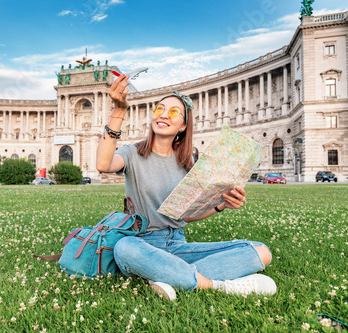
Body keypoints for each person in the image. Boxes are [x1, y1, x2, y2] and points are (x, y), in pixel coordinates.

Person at [96, 75, 276, 300]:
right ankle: (216, 285)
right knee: (124, 248)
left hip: (178, 245)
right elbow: (103, 165)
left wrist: (222, 205)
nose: (163, 114)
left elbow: (187, 216)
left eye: (173, 112)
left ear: (183, 126)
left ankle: (164, 275)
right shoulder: (132, 153)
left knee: (261, 251)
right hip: (142, 244)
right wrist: (119, 111)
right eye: (159, 109)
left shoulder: (187, 164)